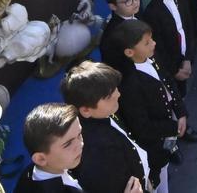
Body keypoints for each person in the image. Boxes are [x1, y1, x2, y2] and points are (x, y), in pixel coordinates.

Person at [115, 19, 186, 189]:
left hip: (169, 125)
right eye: (147, 43)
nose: (153, 44)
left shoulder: (152, 58)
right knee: (159, 175)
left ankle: (171, 151)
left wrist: (181, 112)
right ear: (130, 52)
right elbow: (143, 127)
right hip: (155, 142)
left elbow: (169, 82)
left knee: (167, 155)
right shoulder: (131, 85)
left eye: (152, 39)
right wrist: (173, 127)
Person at [60, 62, 149, 193]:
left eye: (115, 88)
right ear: (85, 110)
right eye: (108, 96)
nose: (118, 94)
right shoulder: (96, 151)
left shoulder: (103, 112)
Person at [17, 103, 86, 193]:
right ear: (41, 159)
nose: (80, 144)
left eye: (79, 134)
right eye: (68, 144)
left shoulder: (33, 171)